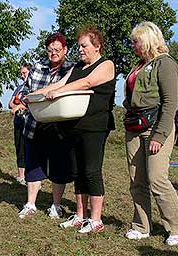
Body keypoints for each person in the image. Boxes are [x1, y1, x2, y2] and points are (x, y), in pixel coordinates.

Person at [35, 27, 116, 233]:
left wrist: (58, 92)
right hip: (75, 126)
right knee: (78, 171)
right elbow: (61, 82)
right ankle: (80, 215)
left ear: (97, 46)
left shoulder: (106, 65)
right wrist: (33, 95)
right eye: (79, 46)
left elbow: (86, 83)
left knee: (91, 171)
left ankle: (95, 219)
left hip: (95, 126)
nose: (80, 50)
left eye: (84, 45)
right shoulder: (78, 66)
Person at [123, 21, 178, 245]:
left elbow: (170, 102)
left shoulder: (165, 64)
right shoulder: (138, 65)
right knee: (136, 179)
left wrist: (160, 135)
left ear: (149, 40)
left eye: (136, 41)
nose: (132, 45)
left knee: (157, 178)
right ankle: (141, 226)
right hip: (135, 127)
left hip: (156, 126)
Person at [17, 32, 74, 220]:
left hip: (60, 127)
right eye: (50, 50)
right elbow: (25, 90)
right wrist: (24, 102)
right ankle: (30, 203)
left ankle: (56, 205)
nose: (54, 53)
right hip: (35, 124)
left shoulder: (72, 69)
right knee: (33, 165)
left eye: (57, 49)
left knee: (58, 167)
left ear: (65, 50)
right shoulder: (37, 68)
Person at [8, 64, 31, 185]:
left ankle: (31, 175)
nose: (22, 76)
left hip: (30, 121)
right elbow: (10, 103)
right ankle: (21, 175)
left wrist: (19, 106)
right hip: (18, 121)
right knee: (19, 146)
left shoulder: (33, 87)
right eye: (21, 74)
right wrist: (17, 106)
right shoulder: (19, 88)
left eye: (24, 73)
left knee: (30, 148)